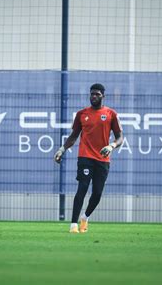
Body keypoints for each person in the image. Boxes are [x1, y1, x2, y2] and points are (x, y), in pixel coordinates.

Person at [54, 83, 123, 233]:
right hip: (85, 157)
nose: (94, 96)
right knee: (82, 188)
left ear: (103, 96)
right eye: (92, 94)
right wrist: (62, 149)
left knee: (97, 193)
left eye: (97, 94)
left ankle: (85, 217)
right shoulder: (82, 114)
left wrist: (111, 146)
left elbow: (120, 138)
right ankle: (73, 225)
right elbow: (73, 136)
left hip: (103, 159)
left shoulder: (111, 114)